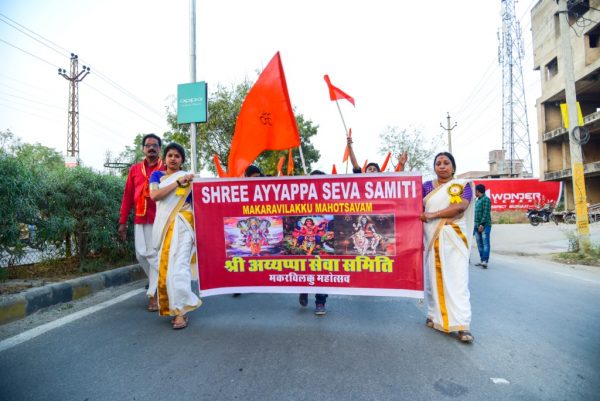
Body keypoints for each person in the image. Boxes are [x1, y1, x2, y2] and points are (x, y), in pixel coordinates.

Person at [420, 152, 475, 343]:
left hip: (455, 238)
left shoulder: (462, 185)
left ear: (453, 166)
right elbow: (408, 200)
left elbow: (461, 206)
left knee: (458, 281)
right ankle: (434, 315)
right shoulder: (426, 186)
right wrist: (401, 168)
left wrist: (433, 214)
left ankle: (462, 325)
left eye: (446, 163)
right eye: (438, 163)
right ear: (434, 167)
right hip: (432, 237)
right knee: (433, 278)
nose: (442, 166)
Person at [149, 142, 201, 329]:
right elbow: (155, 196)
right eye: (170, 155)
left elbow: (201, 203)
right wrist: (178, 183)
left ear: (182, 160)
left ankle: (181, 312)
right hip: (165, 227)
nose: (173, 159)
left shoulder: (190, 179)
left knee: (179, 267)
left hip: (185, 225)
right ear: (165, 158)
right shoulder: (158, 176)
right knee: (167, 267)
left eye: (177, 156)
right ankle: (173, 305)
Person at [118, 133, 165, 311]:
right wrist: (122, 222)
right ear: (143, 149)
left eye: (155, 145)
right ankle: (165, 280)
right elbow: (127, 196)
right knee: (141, 255)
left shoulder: (166, 167)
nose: (151, 148)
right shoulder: (135, 170)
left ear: (159, 149)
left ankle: (154, 294)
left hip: (160, 217)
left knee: (154, 254)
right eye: (148, 145)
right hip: (140, 217)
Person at [298, 170, 329, 315]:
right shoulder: (300, 200)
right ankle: (303, 289)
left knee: (323, 271)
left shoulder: (331, 200)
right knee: (305, 268)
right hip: (305, 241)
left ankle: (320, 302)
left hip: (318, 243)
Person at [232, 164, 265, 298]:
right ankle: (239, 285)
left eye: (258, 177)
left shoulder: (264, 189)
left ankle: (257, 281)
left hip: (257, 231)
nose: (256, 180)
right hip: (247, 231)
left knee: (257, 256)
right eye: (254, 177)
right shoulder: (239, 190)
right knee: (241, 258)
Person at [473, 184, 492, 269]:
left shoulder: (486, 200)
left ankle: (485, 261)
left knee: (485, 243)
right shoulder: (477, 200)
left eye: (475, 191)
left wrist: (482, 224)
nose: (474, 192)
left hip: (484, 225)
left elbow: (485, 212)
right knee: (479, 244)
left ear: (477, 191)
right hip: (476, 225)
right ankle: (482, 260)